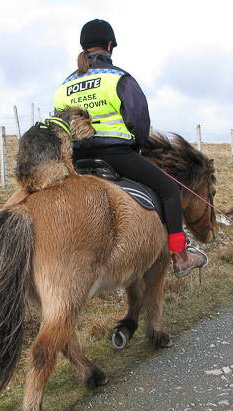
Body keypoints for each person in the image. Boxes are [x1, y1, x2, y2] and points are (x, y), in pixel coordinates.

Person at [54, 19, 206, 277]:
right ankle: (180, 256)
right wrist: (136, 146)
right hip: (116, 156)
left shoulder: (64, 86)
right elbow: (139, 121)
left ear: (83, 47)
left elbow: (61, 126)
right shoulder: (119, 79)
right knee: (169, 190)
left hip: (76, 159)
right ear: (109, 46)